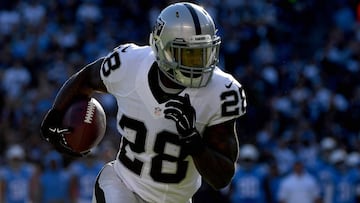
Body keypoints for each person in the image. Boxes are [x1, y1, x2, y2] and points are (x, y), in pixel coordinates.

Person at [40, 2, 247, 203]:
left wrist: (192, 140)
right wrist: (56, 114)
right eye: (188, 54)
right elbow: (86, 78)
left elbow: (222, 178)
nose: (199, 64)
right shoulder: (129, 64)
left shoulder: (221, 91)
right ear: (162, 47)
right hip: (123, 184)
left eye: (203, 53)